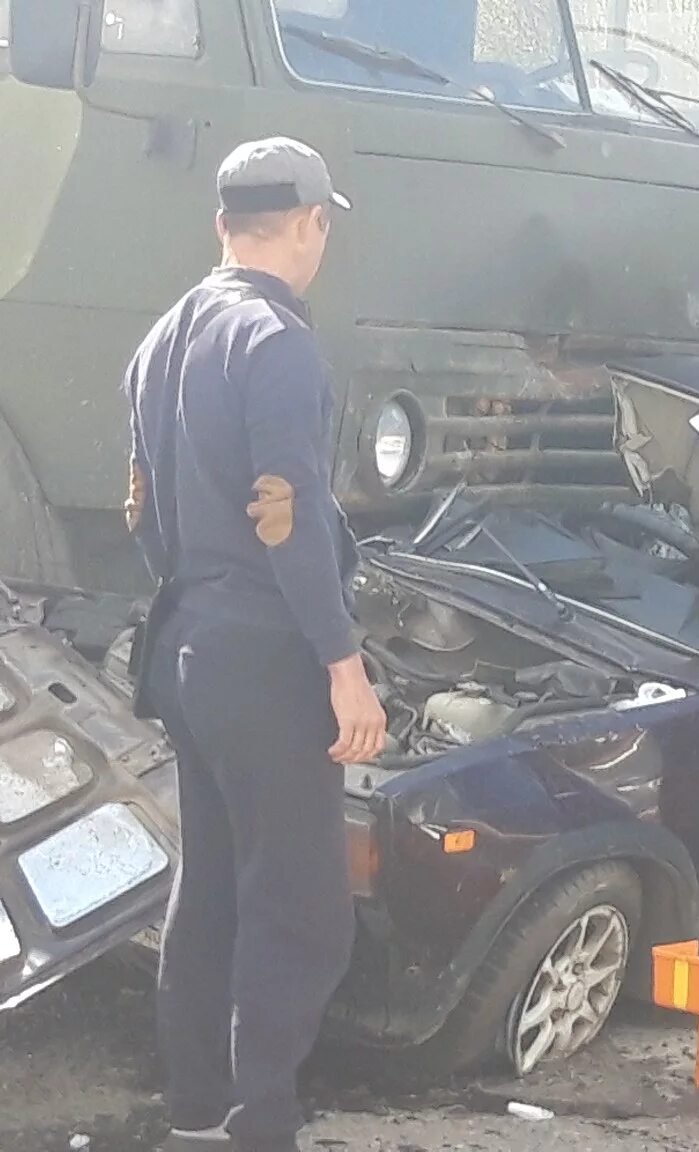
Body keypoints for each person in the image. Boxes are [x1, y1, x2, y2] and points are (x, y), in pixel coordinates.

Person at [123, 137, 387, 1152]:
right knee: (303, 904)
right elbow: (291, 517)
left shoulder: (164, 335)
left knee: (215, 881)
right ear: (313, 222)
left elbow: (141, 505)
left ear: (224, 224)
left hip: (187, 637)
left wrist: (191, 594)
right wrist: (343, 664)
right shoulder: (275, 342)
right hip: (267, 653)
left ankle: (198, 1106)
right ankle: (260, 1121)